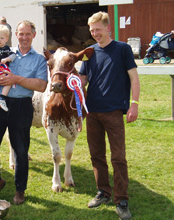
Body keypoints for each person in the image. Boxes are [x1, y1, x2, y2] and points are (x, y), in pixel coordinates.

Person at [79, 12, 140, 220]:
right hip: (92, 112)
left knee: (118, 157)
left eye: (98, 29)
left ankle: (121, 200)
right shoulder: (90, 52)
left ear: (108, 29)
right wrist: (73, 86)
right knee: (96, 156)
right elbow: (83, 79)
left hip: (114, 112)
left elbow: (134, 78)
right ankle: (103, 192)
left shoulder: (122, 49)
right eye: (92, 30)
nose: (95, 33)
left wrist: (134, 104)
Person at [0, 20, 47, 205]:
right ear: (15, 35)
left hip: (21, 105)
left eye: (28, 34)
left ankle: (20, 189)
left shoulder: (39, 59)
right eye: (21, 33)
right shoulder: (3, 52)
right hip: (0, 102)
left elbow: (41, 85)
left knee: (20, 149)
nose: (24, 37)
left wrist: (16, 79)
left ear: (33, 35)